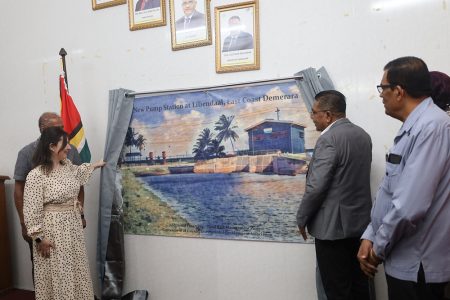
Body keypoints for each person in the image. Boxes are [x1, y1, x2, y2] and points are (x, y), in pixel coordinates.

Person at [358, 56, 450, 300]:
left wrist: (377, 248)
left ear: (398, 91)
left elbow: (410, 206)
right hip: (402, 261)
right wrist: (369, 234)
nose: (380, 95)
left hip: (417, 267)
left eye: (383, 88)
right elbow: (389, 190)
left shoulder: (433, 127)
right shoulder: (414, 126)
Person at [296, 90, 372, 300]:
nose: (311, 117)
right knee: (359, 287)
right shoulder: (363, 135)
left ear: (328, 115)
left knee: (337, 291)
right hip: (360, 227)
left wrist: (301, 219)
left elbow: (316, 187)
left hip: (332, 230)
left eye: (314, 112)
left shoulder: (328, 139)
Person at [23, 126, 105, 299]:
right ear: (52, 147)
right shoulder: (36, 175)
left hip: (72, 229)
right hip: (53, 233)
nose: (69, 147)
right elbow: (31, 210)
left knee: (75, 269)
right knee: (59, 273)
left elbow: (79, 172)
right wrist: (39, 238)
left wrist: (97, 165)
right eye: (65, 143)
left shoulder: (67, 166)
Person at [13, 112, 84, 281]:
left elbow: (79, 184)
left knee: (71, 264)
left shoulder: (71, 150)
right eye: (57, 128)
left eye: (62, 127)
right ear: (43, 129)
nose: (62, 131)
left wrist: (81, 213)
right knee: (44, 267)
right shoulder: (26, 152)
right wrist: (24, 223)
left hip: (69, 222)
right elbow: (19, 190)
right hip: (41, 223)